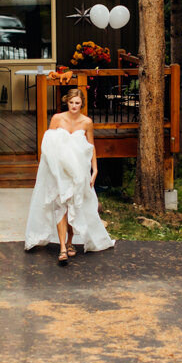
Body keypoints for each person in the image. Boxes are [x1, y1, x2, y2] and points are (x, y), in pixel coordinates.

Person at [24, 87, 115, 264]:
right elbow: (48, 145)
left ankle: (70, 242)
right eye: (71, 102)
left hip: (79, 171)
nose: (74, 106)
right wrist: (49, 170)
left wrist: (95, 169)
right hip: (59, 170)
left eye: (77, 103)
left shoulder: (87, 122)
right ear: (67, 101)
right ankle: (62, 248)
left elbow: (91, 146)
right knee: (61, 206)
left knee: (74, 204)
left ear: (82, 104)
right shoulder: (57, 119)